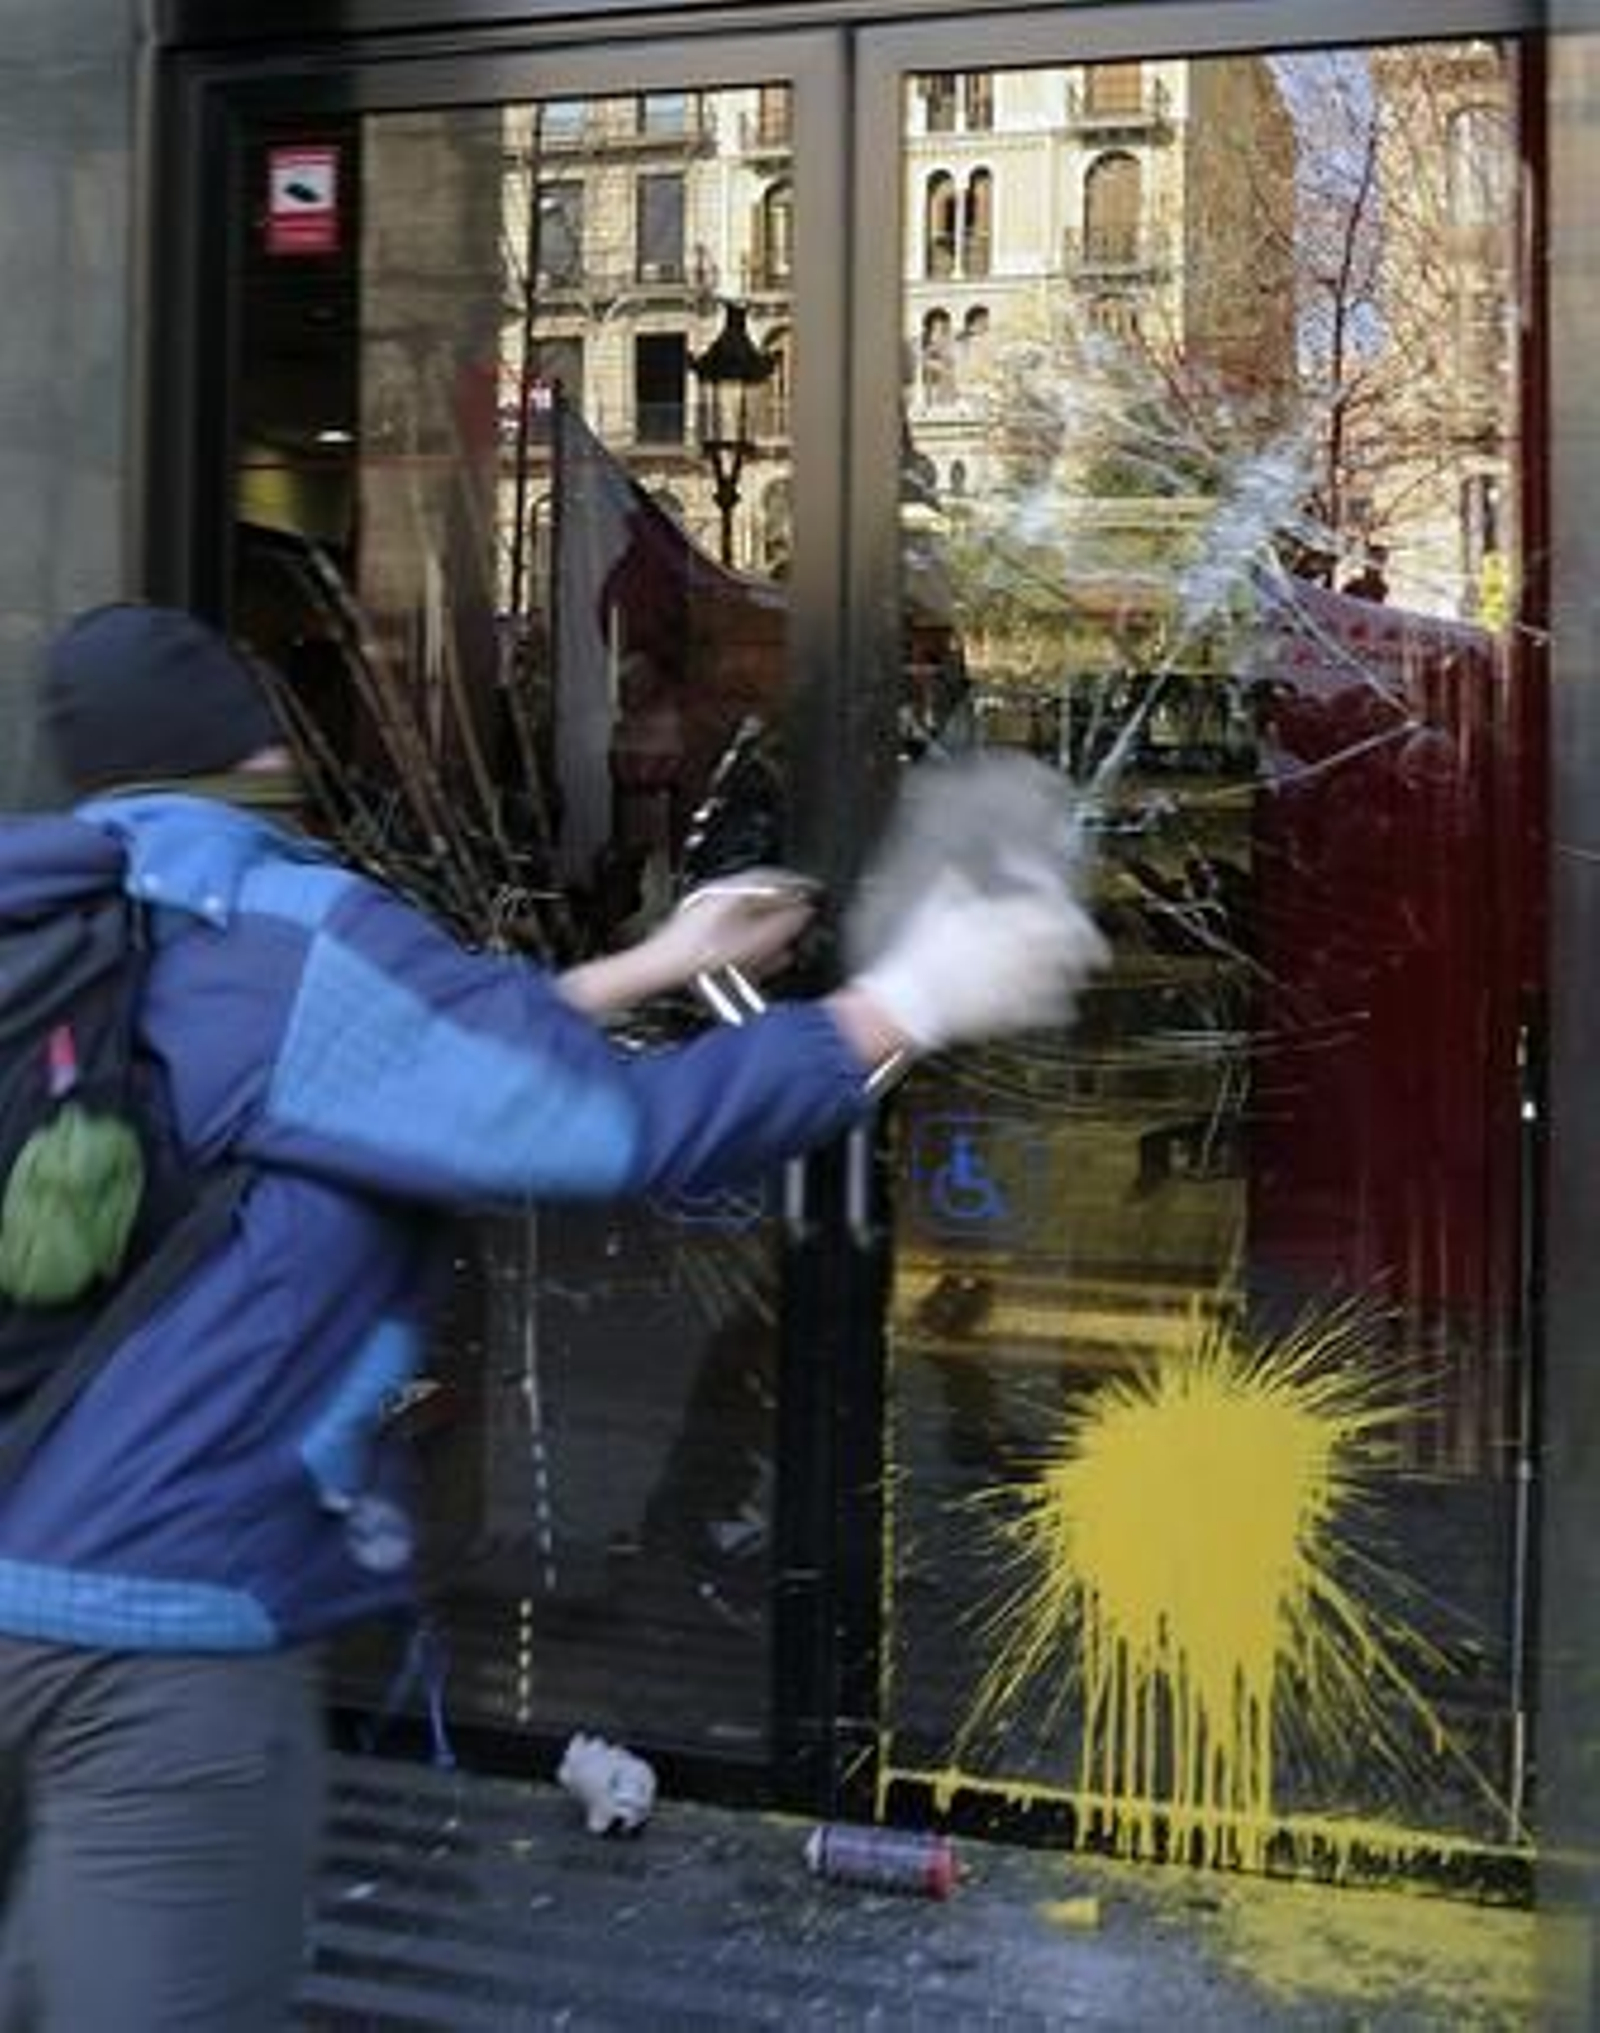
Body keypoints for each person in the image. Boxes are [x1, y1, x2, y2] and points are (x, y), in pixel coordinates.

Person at [0, 603, 1107, 2030]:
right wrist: (904, 1001)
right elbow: (606, 1131)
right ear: (264, 749)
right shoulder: (286, 933)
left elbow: (366, 1079)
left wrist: (651, 963)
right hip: (161, 1621)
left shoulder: (69, 938)